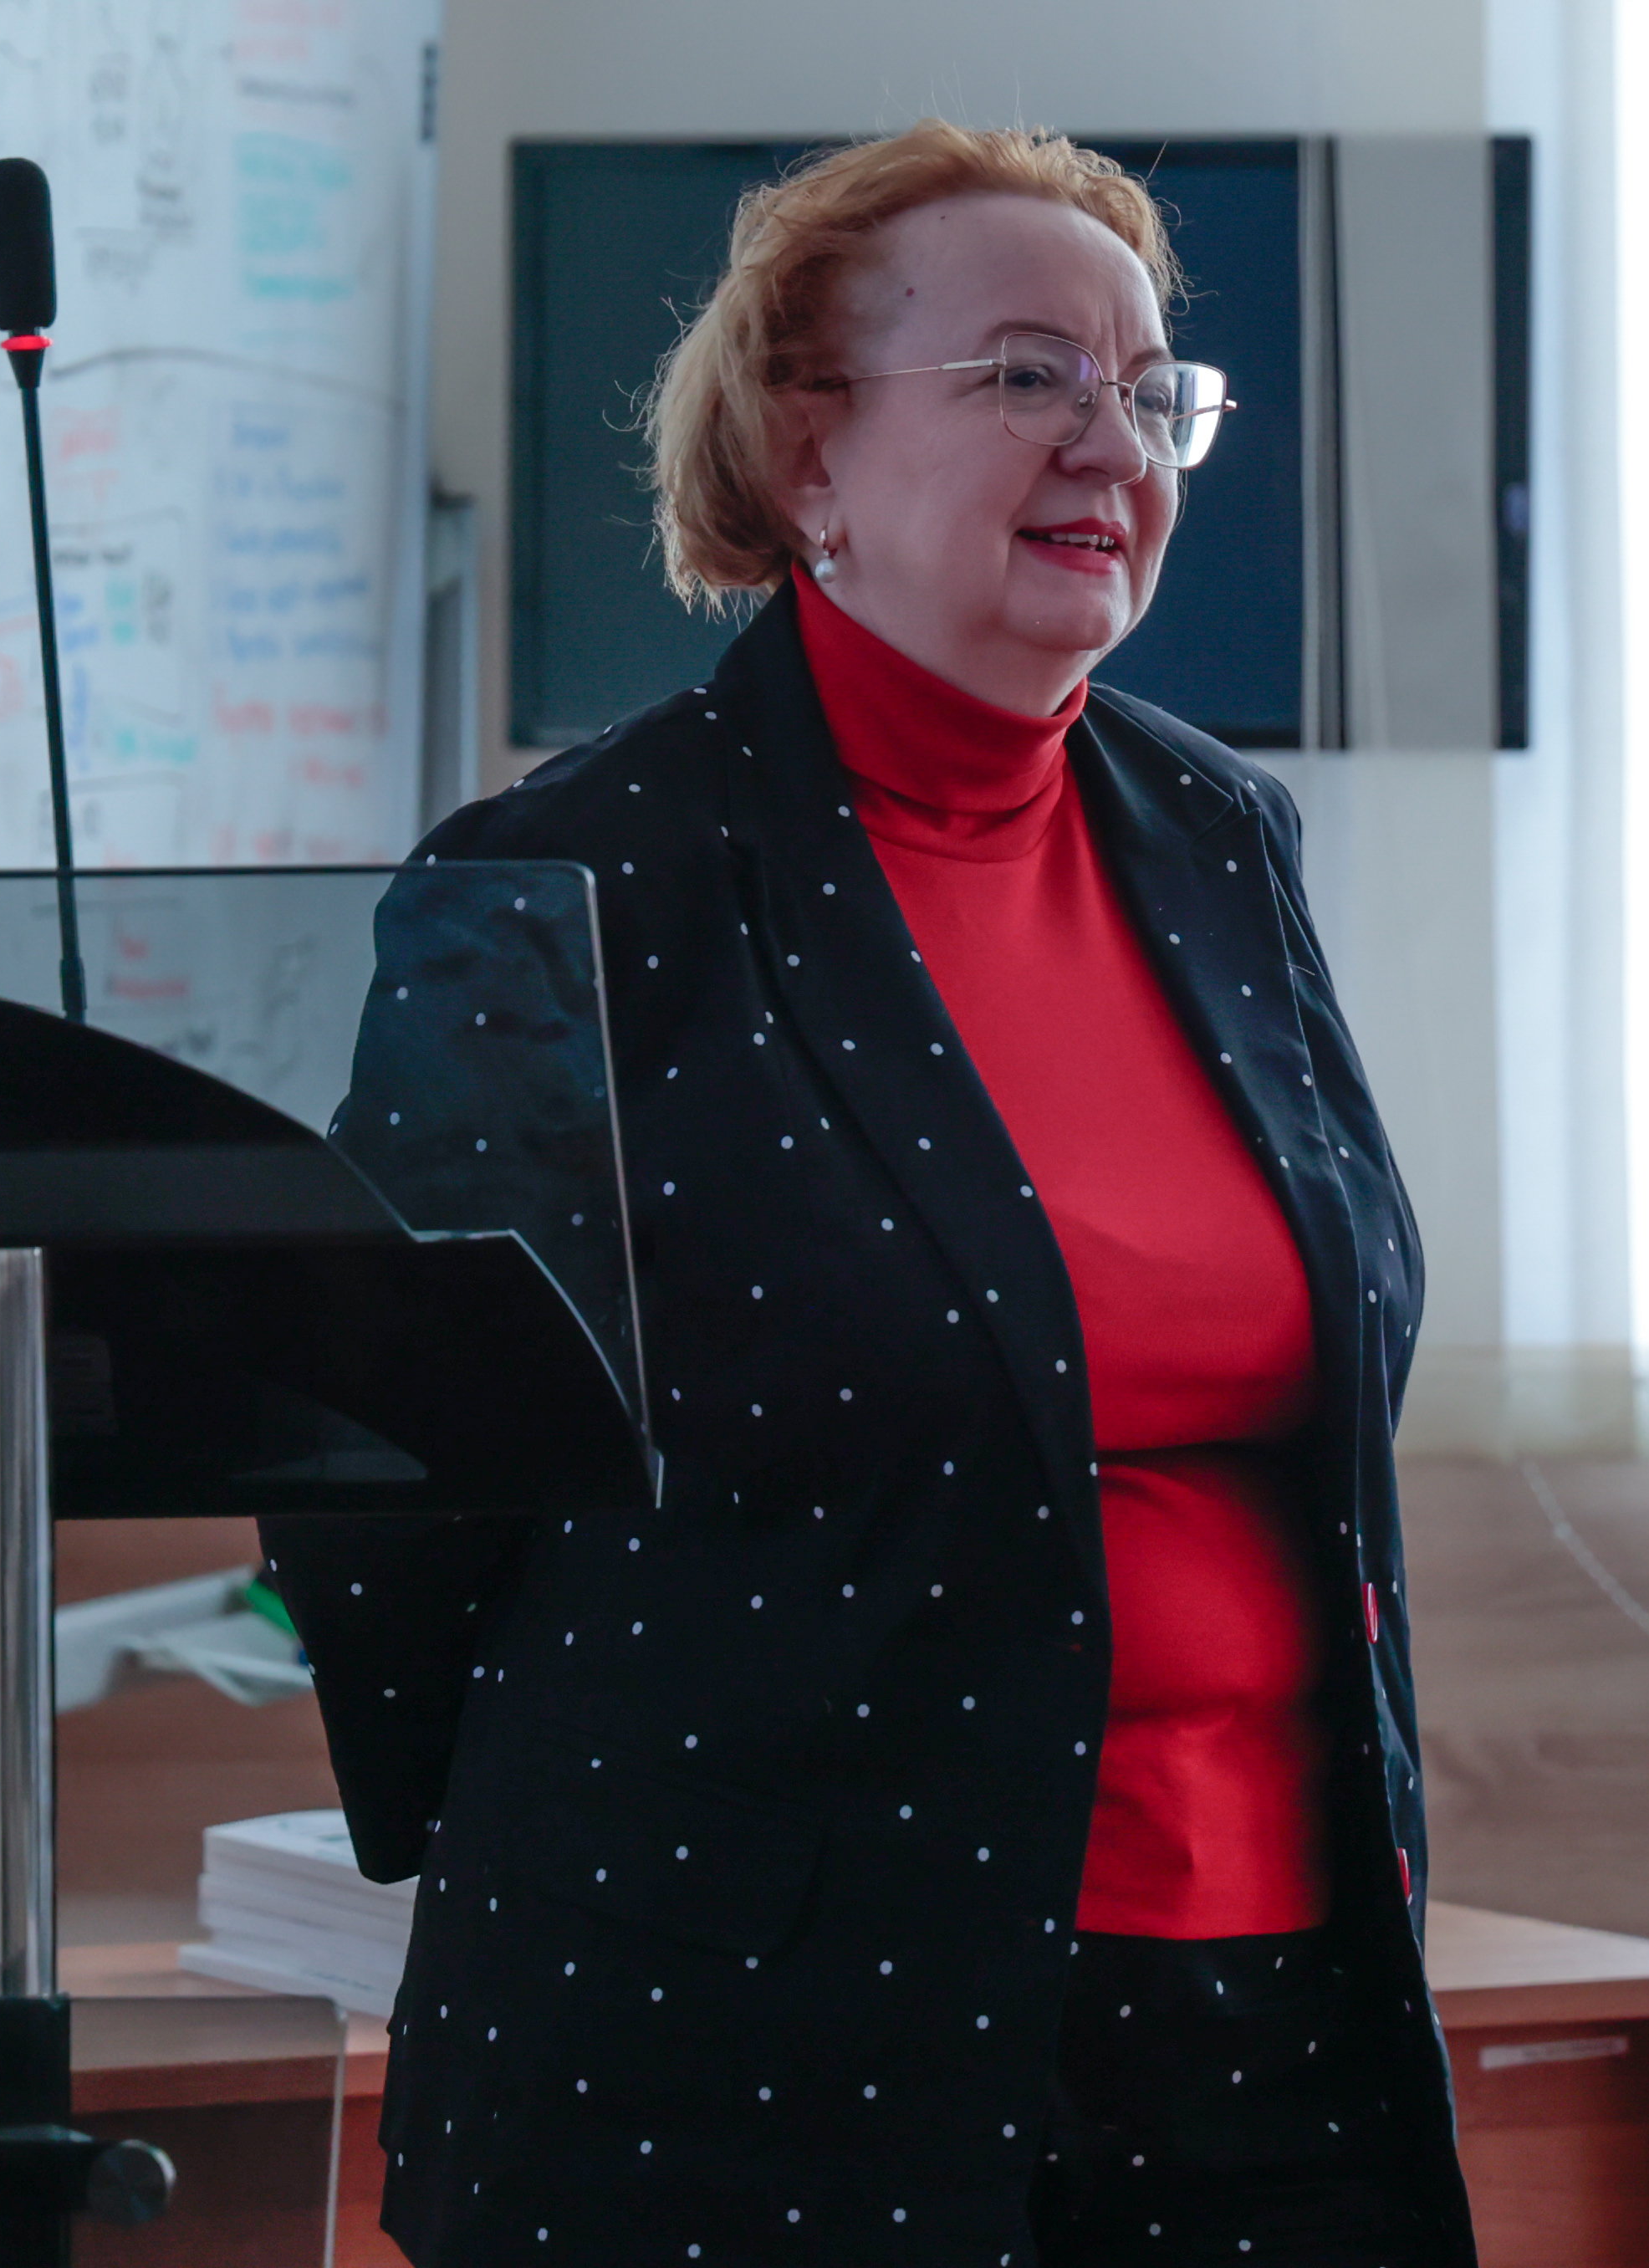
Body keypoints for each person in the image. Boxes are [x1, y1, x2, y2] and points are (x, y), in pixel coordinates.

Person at [261, 123, 1472, 2266]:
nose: (1112, 444)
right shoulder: (578, 881)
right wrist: (627, 1831)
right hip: (752, 2044)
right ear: (803, 451)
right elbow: (387, 1487)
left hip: (1272, 2004)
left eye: (1149, 392)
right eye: (1026, 378)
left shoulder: (1219, 838)